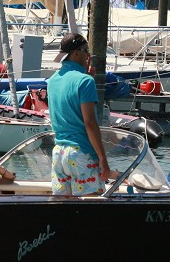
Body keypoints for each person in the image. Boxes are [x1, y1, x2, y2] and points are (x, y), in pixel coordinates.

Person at [46, 33, 117, 196]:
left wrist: (87, 77)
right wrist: (103, 159)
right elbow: (90, 123)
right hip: (80, 153)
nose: (88, 55)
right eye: (85, 51)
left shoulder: (53, 81)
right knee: (90, 208)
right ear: (75, 53)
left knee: (63, 206)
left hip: (59, 153)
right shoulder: (85, 82)